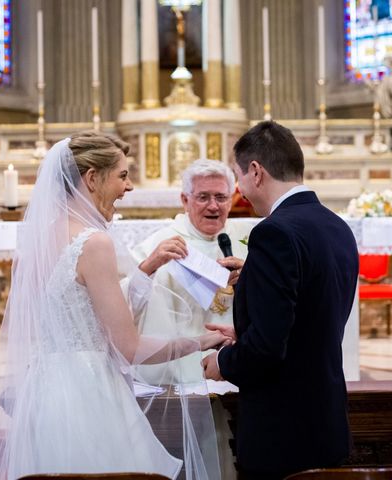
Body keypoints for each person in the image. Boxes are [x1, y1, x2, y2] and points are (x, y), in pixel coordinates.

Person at [0, 131, 227, 480]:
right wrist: (203, 341)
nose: (128, 187)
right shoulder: (94, 244)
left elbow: (82, 314)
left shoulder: (33, 246)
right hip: (91, 395)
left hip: (44, 391)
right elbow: (129, 348)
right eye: (123, 175)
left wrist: (146, 269)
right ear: (93, 178)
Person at [202, 121, 359, 479]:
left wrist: (222, 361)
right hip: (326, 418)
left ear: (256, 172)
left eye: (238, 177)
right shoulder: (336, 225)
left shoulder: (274, 232)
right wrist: (250, 306)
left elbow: (268, 350)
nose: (240, 190)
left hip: (283, 431)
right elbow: (311, 317)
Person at [131, 159, 253, 479]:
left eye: (221, 197)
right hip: (179, 376)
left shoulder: (244, 238)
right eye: (203, 197)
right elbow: (130, 301)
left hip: (236, 367)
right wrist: (152, 266)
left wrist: (251, 278)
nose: (213, 206)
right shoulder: (160, 243)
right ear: (185, 200)